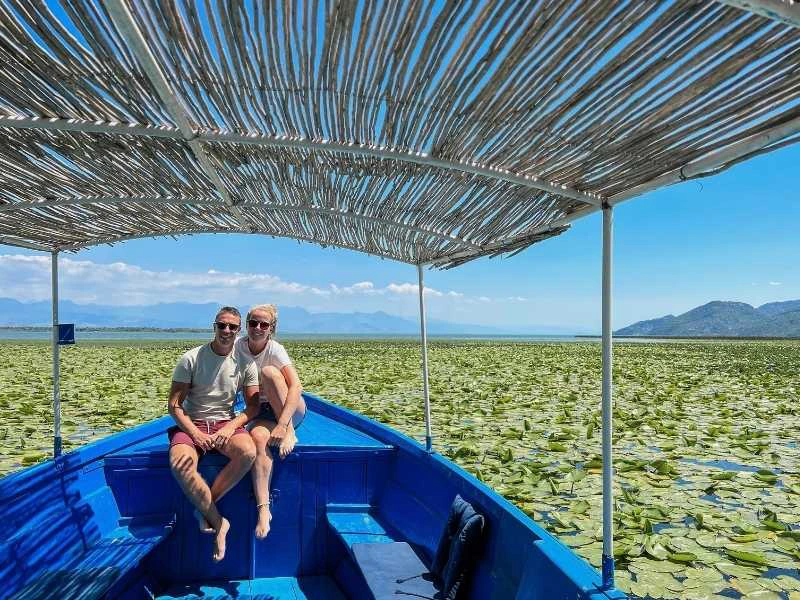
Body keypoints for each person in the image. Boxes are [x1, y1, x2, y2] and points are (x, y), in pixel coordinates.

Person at [167, 306, 260, 562]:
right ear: (214, 327)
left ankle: (204, 509)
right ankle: (219, 522)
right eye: (222, 325)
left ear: (239, 330)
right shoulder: (191, 358)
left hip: (224, 424)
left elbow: (253, 407)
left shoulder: (245, 362)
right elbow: (174, 406)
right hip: (192, 421)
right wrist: (195, 434)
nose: (226, 331)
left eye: (232, 327)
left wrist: (231, 427)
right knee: (180, 464)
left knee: (248, 452)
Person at [235, 304, 306, 539]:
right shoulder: (237, 348)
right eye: (253, 323)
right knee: (258, 439)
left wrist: (284, 424)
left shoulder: (275, 350)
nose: (257, 328)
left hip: (288, 407)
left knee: (268, 373)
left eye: (263, 324)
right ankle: (264, 509)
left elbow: (295, 386)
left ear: (271, 329)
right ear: (246, 325)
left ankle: (289, 433)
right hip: (261, 410)